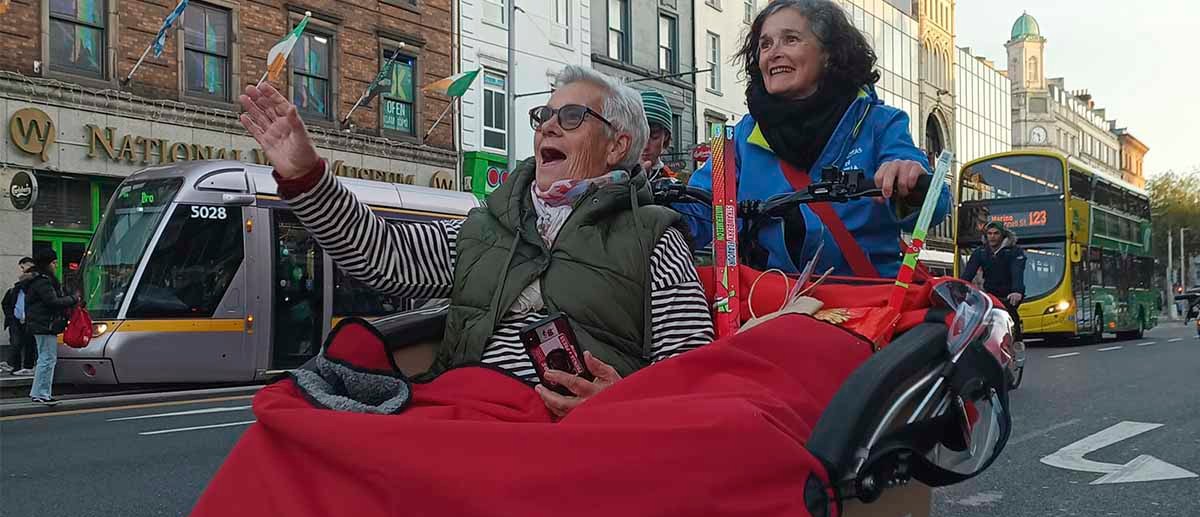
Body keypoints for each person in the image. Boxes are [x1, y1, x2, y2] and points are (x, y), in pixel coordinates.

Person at [238, 65, 714, 418]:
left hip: (566, 432)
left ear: (616, 145)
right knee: (282, 419)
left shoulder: (653, 233)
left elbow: (688, 367)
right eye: (543, 115)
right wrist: (304, 175)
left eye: (570, 116)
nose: (547, 125)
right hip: (460, 406)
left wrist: (620, 403)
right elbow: (382, 256)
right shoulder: (486, 225)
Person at [678, 0, 950, 277]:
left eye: (790, 39)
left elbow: (936, 205)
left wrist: (910, 180)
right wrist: (646, 202)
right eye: (766, 44)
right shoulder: (741, 137)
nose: (774, 53)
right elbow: (696, 213)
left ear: (829, 53)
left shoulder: (879, 122)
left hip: (864, 304)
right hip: (769, 302)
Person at [24, 249, 79, 405]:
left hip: (41, 324)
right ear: (47, 264)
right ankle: (42, 393)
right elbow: (52, 302)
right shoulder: (43, 281)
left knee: (45, 358)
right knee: (47, 359)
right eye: (54, 263)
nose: (56, 266)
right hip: (45, 324)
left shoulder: (37, 280)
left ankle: (39, 393)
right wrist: (73, 299)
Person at [960, 222, 1026, 340]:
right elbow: (968, 273)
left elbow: (1017, 272)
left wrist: (1017, 291)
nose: (992, 236)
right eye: (989, 233)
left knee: (1010, 315)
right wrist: (960, 288)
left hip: (1009, 293)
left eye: (996, 233)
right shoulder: (981, 252)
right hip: (990, 293)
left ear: (1003, 235)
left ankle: (1017, 343)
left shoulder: (1014, 252)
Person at [2, 257, 37, 375]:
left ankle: (27, 366)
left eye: (24, 268)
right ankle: (13, 366)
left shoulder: (36, 287)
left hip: (30, 320)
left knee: (29, 343)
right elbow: (6, 303)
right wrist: (11, 317)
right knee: (16, 342)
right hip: (16, 320)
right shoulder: (16, 289)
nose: (22, 273)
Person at [639, 90, 677, 182]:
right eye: (640, 136)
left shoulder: (670, 181)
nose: (645, 146)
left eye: (654, 136)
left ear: (666, 136)